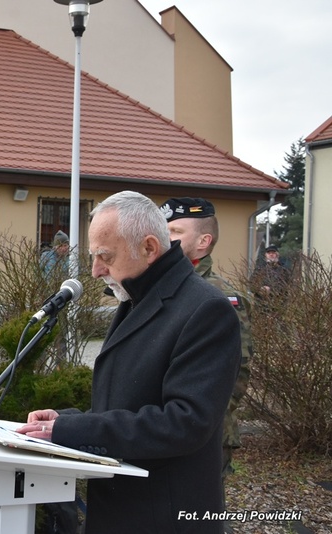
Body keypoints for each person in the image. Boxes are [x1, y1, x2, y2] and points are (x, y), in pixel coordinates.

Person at [17, 191, 241, 533]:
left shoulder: (205, 309)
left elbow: (184, 422)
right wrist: (67, 420)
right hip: (122, 508)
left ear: (149, 248)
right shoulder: (137, 296)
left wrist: (75, 431)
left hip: (163, 516)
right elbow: (132, 403)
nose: (95, 271)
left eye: (105, 256)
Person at [160, 197, 253, 487]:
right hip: (157, 427)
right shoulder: (158, 287)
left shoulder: (221, 298)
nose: (166, 238)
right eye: (164, 230)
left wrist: (196, 422)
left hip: (202, 432)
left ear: (203, 241)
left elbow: (236, 371)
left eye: (175, 231)